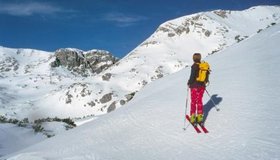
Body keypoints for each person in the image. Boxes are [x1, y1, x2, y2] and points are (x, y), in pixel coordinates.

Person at [187, 53, 209, 124]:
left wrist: (189, 83)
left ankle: (193, 117)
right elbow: (207, 75)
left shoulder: (194, 66)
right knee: (199, 100)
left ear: (193, 58)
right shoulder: (203, 65)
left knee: (193, 101)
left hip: (194, 86)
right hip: (202, 86)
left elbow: (192, 77)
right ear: (200, 58)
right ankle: (200, 117)